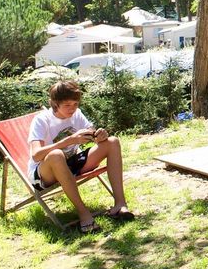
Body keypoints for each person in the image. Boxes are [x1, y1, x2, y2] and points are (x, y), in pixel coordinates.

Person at [28, 80, 134, 234]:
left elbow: (91, 132)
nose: (72, 108)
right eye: (67, 105)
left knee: (112, 142)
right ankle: (84, 215)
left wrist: (99, 135)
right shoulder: (41, 120)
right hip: (44, 174)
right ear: (55, 104)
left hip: (70, 165)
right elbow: (36, 155)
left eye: (75, 104)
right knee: (56, 155)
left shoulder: (76, 114)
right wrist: (69, 141)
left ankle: (120, 205)